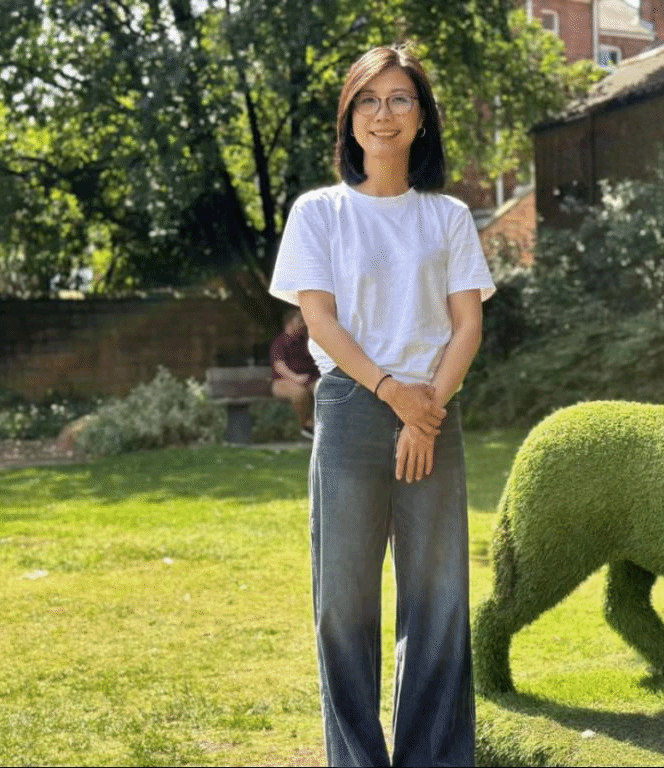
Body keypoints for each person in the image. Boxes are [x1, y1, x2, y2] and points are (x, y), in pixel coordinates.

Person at [268, 44, 495, 767]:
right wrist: (395, 393)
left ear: (422, 117)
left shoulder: (448, 216)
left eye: (400, 99)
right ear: (350, 118)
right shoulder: (319, 212)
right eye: (368, 100)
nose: (383, 114)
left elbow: (467, 326)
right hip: (353, 408)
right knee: (344, 604)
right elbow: (321, 321)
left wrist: (426, 411)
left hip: (435, 409)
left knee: (438, 602)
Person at [269, 309, 319, 439]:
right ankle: (302, 427)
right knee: (300, 394)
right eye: (300, 321)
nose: (303, 324)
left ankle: (316, 425)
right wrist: (296, 378)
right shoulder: (279, 343)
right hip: (283, 382)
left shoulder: (306, 342)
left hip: (308, 379)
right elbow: (279, 366)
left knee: (322, 390)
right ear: (289, 323)